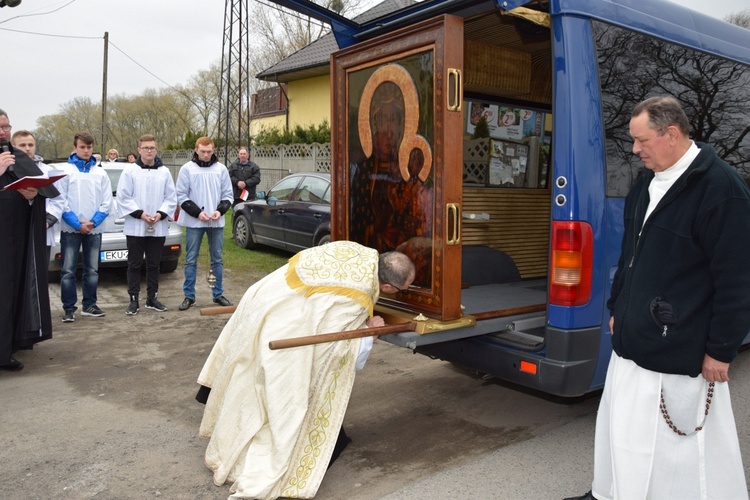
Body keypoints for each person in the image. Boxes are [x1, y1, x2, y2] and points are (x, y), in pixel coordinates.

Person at [566, 96, 750, 500]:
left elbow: (737, 280)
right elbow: (629, 255)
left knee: (671, 447)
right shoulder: (647, 181)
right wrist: (618, 308)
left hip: (679, 345)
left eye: (641, 140)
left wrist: (721, 349)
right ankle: (612, 492)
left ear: (671, 134)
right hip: (634, 339)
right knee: (622, 428)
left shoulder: (722, 190)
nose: (634, 150)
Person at [196, 241, 415, 499]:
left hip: (263, 299)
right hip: (282, 328)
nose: (400, 293)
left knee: (246, 378)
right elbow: (337, 352)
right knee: (284, 398)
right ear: (387, 286)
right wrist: (368, 334)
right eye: (403, 290)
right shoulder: (359, 294)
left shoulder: (357, 250)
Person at [0, 109, 55, 371]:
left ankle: (8, 348)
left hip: (15, 241)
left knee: (12, 291)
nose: (3, 132)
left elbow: (39, 191)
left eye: (6, 126)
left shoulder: (17, 156)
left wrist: (33, 193)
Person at [116, 134, 177, 315]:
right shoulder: (130, 171)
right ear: (139, 150)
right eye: (146, 148)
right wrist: (141, 214)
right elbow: (123, 197)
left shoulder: (164, 172)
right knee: (134, 264)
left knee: (153, 264)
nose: (149, 151)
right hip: (136, 225)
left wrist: (160, 214)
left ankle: (152, 298)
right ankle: (133, 300)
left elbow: (171, 197)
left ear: (156, 150)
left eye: (152, 148)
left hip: (157, 225)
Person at [58, 132, 113, 322]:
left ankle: (89, 304)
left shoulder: (101, 173)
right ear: (75, 148)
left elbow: (107, 202)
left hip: (93, 229)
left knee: (92, 270)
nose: (86, 150)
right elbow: (61, 201)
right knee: (68, 271)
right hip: (71, 228)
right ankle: (68, 308)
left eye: (89, 147)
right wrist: (76, 224)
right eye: (82, 147)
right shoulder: (66, 171)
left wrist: (93, 222)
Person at [175, 136, 233, 310]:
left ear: (213, 150)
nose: (206, 155)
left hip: (215, 221)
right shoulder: (187, 169)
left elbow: (228, 195)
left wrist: (219, 210)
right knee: (191, 259)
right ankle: (189, 296)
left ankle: (218, 294)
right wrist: (198, 213)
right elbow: (181, 196)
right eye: (203, 152)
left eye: (209, 152)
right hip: (194, 222)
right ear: (196, 150)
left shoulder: (221, 169)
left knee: (217, 259)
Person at [11, 130, 66, 263]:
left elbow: (59, 199)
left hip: (41, 230)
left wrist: (48, 220)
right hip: (14, 231)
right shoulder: (8, 170)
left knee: (39, 275)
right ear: (13, 148)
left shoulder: (47, 171)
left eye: (31, 144)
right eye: (22, 145)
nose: (27, 148)